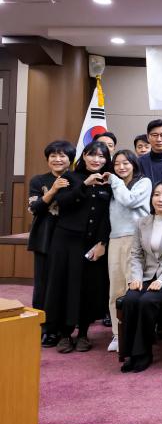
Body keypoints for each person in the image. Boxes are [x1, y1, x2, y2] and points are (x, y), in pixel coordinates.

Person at [43, 141, 113, 353]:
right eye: (92, 155)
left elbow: (108, 216)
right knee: (65, 286)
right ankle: (65, 334)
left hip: (92, 244)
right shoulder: (70, 177)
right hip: (66, 242)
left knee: (88, 288)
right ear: (83, 156)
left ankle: (83, 333)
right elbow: (62, 202)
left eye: (101, 156)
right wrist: (84, 185)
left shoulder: (109, 182)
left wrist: (102, 242)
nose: (96, 160)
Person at [121, 182, 162, 372]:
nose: (160, 199)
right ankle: (130, 354)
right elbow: (136, 255)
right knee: (130, 300)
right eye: (156, 195)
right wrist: (136, 277)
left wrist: (161, 280)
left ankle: (143, 353)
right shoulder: (142, 222)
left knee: (147, 301)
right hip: (145, 276)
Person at [29, 140, 75, 347]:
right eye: (53, 156)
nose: (57, 159)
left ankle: (65, 329)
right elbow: (35, 208)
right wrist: (54, 189)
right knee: (43, 285)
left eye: (62, 155)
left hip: (70, 239)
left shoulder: (76, 179)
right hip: (45, 238)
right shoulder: (38, 180)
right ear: (47, 159)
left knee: (65, 284)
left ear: (70, 159)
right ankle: (45, 328)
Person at [106, 150, 152, 352]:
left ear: (134, 164)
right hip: (115, 239)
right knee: (115, 290)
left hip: (136, 239)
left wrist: (114, 180)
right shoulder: (113, 185)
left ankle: (133, 334)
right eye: (117, 164)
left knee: (132, 288)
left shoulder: (143, 182)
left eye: (125, 163)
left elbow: (130, 201)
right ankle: (118, 334)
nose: (121, 167)